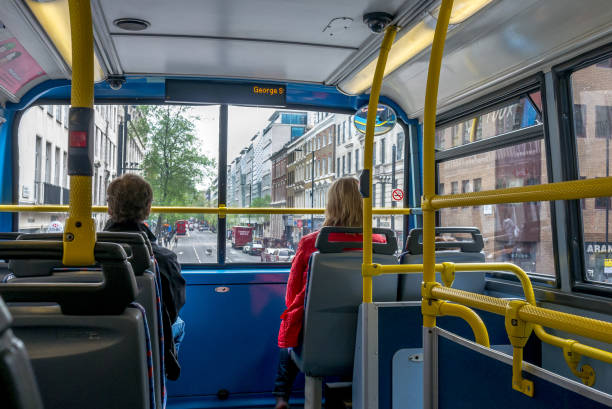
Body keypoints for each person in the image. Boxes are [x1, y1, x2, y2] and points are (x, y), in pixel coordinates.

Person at [272, 177, 386, 409]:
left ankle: (281, 396)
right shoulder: (381, 242)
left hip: (319, 337)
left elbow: (292, 294)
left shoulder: (311, 242)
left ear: (331, 204)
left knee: (290, 338)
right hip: (371, 334)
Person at [104, 174, 186, 380]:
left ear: (109, 209)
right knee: (180, 324)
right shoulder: (162, 260)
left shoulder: (85, 253)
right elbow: (173, 308)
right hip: (148, 341)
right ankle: (159, 378)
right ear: (148, 209)